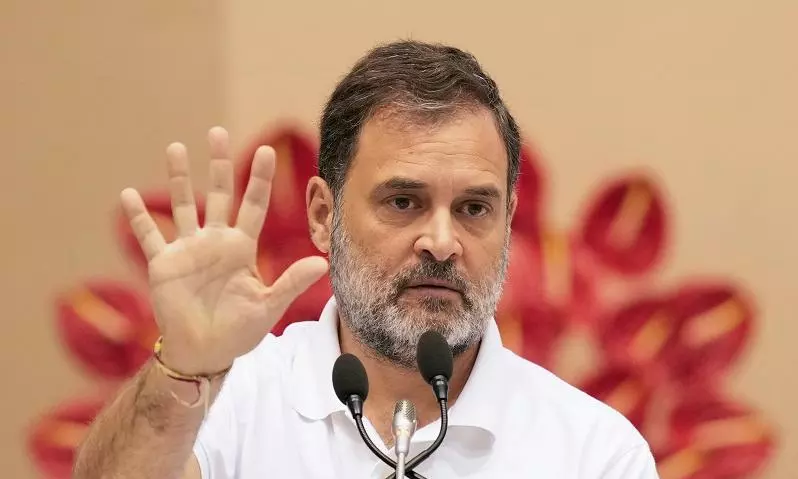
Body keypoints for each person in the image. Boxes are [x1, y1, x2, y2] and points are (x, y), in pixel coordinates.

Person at [73, 40, 659, 478]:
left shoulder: (596, 453)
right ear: (323, 216)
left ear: (507, 224)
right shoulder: (236, 397)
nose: (441, 242)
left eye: (474, 208)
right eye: (403, 202)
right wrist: (183, 369)